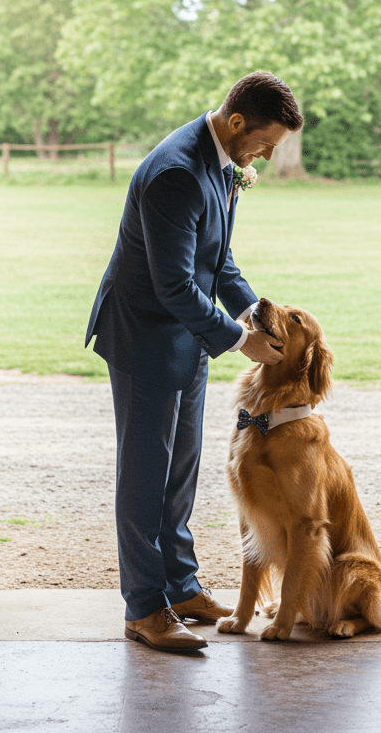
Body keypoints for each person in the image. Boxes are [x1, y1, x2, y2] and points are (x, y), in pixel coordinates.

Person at [85, 71, 304, 652]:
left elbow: (218, 258)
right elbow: (175, 285)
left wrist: (257, 312)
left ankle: (181, 588)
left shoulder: (219, 161)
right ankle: (144, 610)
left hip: (191, 336)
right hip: (144, 338)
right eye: (265, 143)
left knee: (180, 471)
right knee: (144, 477)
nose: (265, 155)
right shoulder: (178, 173)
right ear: (237, 123)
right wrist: (241, 340)